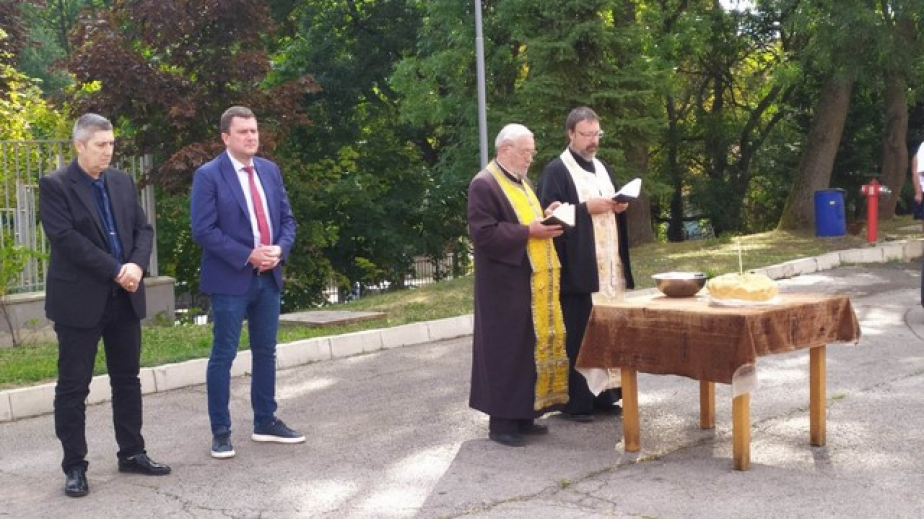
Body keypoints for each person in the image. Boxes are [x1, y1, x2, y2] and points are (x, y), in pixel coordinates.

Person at [39, 113, 171, 498]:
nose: (108, 151)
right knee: (73, 386)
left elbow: (142, 230)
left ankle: (132, 452)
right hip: (79, 301)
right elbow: (66, 239)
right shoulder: (56, 185)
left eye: (112, 143)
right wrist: (116, 270)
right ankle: (74, 466)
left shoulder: (121, 181)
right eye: (101, 144)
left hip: (123, 298)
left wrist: (136, 266)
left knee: (127, 379)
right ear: (79, 145)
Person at [191, 106, 301, 459]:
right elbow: (203, 230)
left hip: (269, 276)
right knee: (223, 354)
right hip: (230, 279)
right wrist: (248, 254)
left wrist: (279, 250)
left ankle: (265, 421)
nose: (251, 137)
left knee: (266, 351)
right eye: (243, 132)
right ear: (226, 137)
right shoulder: (209, 176)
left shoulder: (270, 170)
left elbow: (287, 220)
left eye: (254, 130)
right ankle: (221, 431)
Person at [467, 123, 571, 447]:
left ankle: (525, 415)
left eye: (531, 152)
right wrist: (529, 232)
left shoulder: (522, 183)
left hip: (529, 282)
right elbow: (483, 234)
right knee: (506, 352)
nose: (530, 158)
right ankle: (501, 423)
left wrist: (548, 214)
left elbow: (527, 219)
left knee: (528, 349)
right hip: (503, 285)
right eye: (525, 152)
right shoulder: (485, 184)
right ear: (505, 150)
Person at [537, 107, 635, 423]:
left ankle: (605, 396)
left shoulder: (603, 168)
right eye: (586, 135)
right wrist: (584, 209)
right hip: (579, 269)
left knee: (609, 330)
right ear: (570, 134)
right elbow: (548, 218)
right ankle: (577, 402)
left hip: (609, 267)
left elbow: (611, 206)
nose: (593, 141)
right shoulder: (556, 171)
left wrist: (619, 206)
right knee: (581, 333)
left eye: (596, 134)